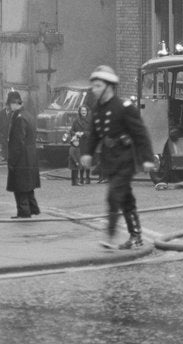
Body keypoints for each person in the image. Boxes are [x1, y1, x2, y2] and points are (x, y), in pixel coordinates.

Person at [80, 65, 156, 249]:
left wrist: (147, 158)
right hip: (110, 160)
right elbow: (94, 135)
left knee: (114, 196)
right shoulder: (97, 109)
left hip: (125, 159)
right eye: (94, 86)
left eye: (98, 85)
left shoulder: (124, 107)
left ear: (109, 86)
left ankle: (110, 235)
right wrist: (88, 154)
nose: (94, 89)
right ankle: (136, 236)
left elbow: (140, 133)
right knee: (125, 198)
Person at [5, 90, 40, 217]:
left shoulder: (19, 118)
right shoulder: (28, 115)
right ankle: (33, 208)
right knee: (28, 185)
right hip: (30, 156)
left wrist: (12, 160)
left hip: (21, 157)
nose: (9, 107)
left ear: (14, 104)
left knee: (19, 186)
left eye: (9, 105)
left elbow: (17, 142)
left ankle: (24, 212)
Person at [66, 104, 91, 185]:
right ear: (80, 112)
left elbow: (92, 132)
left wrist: (83, 133)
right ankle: (81, 178)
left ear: (87, 112)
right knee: (79, 160)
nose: (83, 112)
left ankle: (87, 177)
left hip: (87, 142)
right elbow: (71, 131)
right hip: (78, 143)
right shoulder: (76, 121)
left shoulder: (90, 121)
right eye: (82, 111)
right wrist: (76, 133)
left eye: (85, 111)